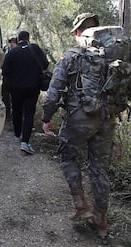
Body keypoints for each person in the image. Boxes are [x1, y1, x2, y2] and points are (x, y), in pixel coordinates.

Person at [42, 13, 114, 238]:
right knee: (99, 168)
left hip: (79, 118)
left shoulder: (72, 56)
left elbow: (53, 93)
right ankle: (101, 220)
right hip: (107, 118)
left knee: (69, 157)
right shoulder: (110, 56)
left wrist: (46, 118)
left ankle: (81, 206)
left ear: (77, 32)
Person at [2, 30, 49, 154]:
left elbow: (4, 71)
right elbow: (45, 64)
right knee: (29, 113)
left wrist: (10, 84)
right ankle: (25, 142)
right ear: (29, 38)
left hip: (16, 88)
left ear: (18, 40)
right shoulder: (35, 49)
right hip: (33, 88)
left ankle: (17, 135)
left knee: (17, 111)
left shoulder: (12, 52)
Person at [1, 37, 18, 120]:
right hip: (8, 79)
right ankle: (8, 115)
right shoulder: (8, 52)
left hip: (13, 79)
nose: (11, 44)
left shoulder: (13, 53)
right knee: (6, 97)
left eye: (12, 42)